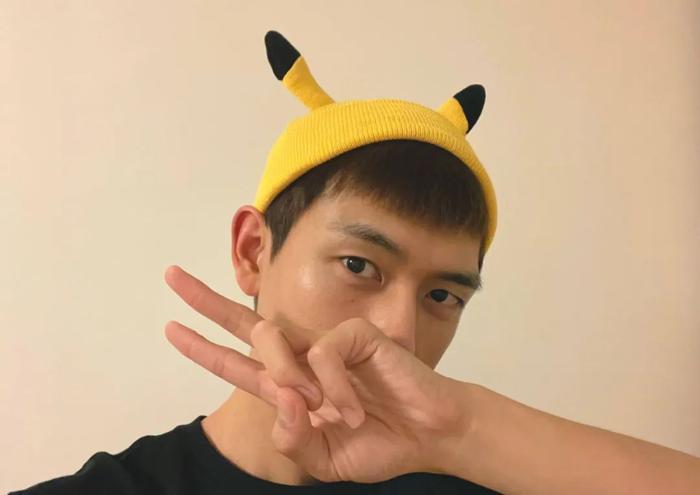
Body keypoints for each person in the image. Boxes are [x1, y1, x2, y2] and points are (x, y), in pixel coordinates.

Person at [11, 30, 699, 495]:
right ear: (253, 251)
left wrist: (464, 431)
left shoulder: (483, 470)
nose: (400, 332)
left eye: (443, 296)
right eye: (359, 265)